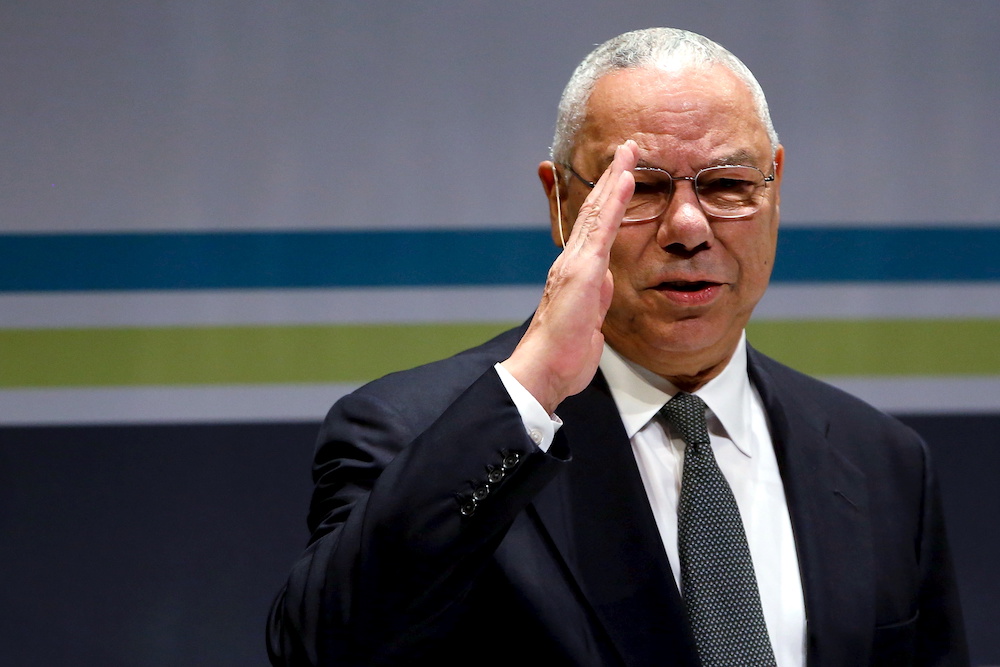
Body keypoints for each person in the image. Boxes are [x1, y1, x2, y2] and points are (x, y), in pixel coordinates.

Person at [266, 27, 968, 666]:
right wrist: (533, 388)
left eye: (726, 185)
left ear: (775, 188)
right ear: (560, 203)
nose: (689, 227)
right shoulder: (418, 434)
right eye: (638, 188)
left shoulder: (883, 463)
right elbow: (322, 649)